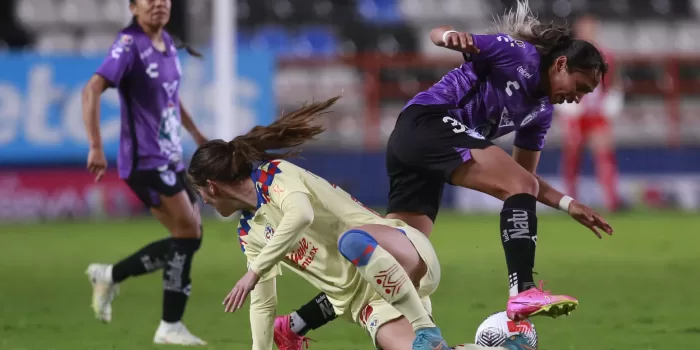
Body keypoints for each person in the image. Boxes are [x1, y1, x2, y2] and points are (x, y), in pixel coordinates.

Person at [272, 1, 615, 348]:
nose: (578, 98)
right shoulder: (519, 55)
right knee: (504, 194)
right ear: (560, 64)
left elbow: (522, 181)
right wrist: (451, 37)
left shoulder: (540, 113)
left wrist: (568, 204)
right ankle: (523, 290)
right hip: (426, 123)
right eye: (580, 86)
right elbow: (439, 36)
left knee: (405, 263)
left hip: (428, 152)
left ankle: (294, 325)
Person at [187, 96, 461, 350]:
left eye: (200, 193)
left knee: (351, 241)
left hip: (395, 252)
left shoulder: (275, 176)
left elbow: (301, 215)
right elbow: (262, 303)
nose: (204, 202)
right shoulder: (249, 232)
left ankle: (425, 327)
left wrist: (253, 271)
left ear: (212, 187)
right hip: (368, 304)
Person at [81, 0, 207, 345]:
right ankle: (169, 325)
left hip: (171, 157)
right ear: (133, 7)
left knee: (188, 237)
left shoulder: (167, 44)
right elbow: (91, 89)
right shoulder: (129, 44)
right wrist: (95, 145)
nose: (159, 4)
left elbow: (170, 97)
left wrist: (195, 133)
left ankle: (109, 275)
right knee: (189, 231)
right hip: (144, 160)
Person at [558, 14, 624, 212]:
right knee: (572, 158)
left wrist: (613, 102)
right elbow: (557, 80)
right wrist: (565, 105)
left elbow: (615, 82)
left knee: (604, 156)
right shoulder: (567, 55)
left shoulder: (607, 55)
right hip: (575, 113)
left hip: (597, 115)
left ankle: (612, 200)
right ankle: (569, 201)